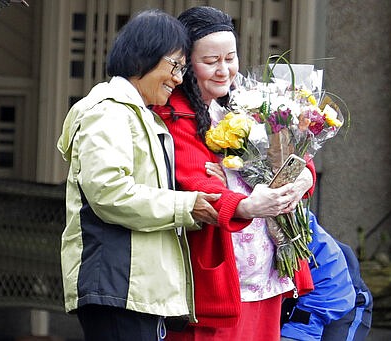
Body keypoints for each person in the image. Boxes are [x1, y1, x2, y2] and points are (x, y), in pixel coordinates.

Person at [56, 9, 222, 341]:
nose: (178, 79)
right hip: (118, 285)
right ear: (141, 59)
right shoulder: (108, 111)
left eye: (182, 69)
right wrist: (185, 206)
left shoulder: (138, 114)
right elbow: (110, 194)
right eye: (174, 66)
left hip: (136, 288)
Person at [152, 6, 316, 341]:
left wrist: (303, 178)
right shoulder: (173, 116)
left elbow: (292, 155)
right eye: (210, 61)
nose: (224, 70)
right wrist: (245, 204)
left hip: (266, 268)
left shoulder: (248, 103)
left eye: (230, 58)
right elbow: (198, 184)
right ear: (184, 64)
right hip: (221, 273)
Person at [280, 214, 373, 341]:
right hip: (291, 298)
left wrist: (299, 331)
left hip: (337, 295)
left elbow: (331, 279)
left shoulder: (286, 215)